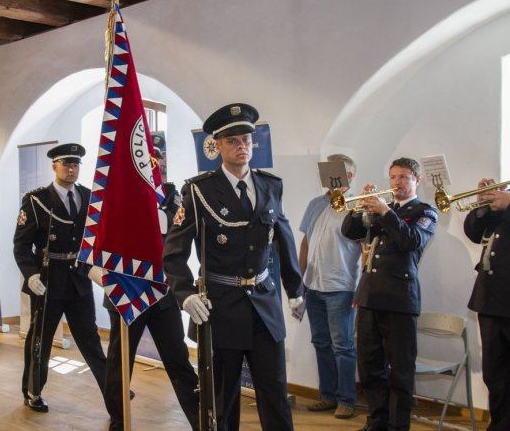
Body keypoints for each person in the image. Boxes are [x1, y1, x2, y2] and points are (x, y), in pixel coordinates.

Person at [163, 103, 304, 431]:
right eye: (232, 141)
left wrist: (295, 291)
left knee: (275, 394)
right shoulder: (198, 192)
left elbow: (282, 240)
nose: (242, 146)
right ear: (217, 147)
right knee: (222, 400)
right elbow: (173, 254)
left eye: (246, 140)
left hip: (265, 307)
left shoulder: (271, 186)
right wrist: (184, 294)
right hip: (220, 307)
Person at [104, 146, 199, 431]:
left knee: (178, 359)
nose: (154, 165)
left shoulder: (174, 199)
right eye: (146, 160)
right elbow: (98, 240)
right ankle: (120, 420)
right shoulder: (116, 197)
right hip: (127, 291)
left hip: (163, 292)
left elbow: (177, 232)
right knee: (120, 363)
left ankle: (200, 421)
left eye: (158, 161)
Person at [342, 157, 437, 431]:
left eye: (404, 177)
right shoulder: (385, 209)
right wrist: (359, 209)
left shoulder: (425, 211)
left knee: (401, 372)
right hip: (370, 296)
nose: (397, 183)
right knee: (370, 366)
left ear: (417, 181)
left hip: (400, 300)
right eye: (393, 177)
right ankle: (376, 421)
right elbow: (349, 232)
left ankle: (397, 426)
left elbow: (411, 240)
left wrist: (385, 212)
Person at [13, 143, 106, 413]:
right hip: (47, 278)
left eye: (75, 164)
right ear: (54, 166)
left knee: (90, 339)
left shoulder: (88, 197)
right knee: (40, 340)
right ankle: (33, 390)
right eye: (66, 164)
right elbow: (21, 245)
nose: (71, 169)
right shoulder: (36, 200)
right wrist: (30, 275)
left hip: (79, 277)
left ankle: (112, 390)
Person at [299, 154, 361, 419]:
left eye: (336, 172)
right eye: (327, 171)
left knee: (342, 347)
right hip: (313, 287)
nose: (330, 176)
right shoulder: (315, 204)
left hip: (341, 287)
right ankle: (327, 396)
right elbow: (305, 243)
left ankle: (347, 400)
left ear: (349, 177)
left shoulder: (357, 207)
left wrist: (361, 286)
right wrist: (302, 279)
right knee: (321, 343)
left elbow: (365, 248)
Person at [464, 179, 510, 431]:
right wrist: (483, 204)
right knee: (495, 374)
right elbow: (473, 232)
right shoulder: (504, 198)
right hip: (491, 299)